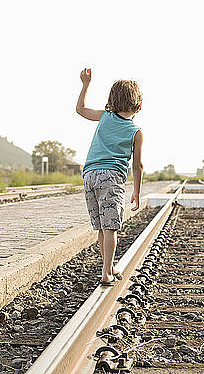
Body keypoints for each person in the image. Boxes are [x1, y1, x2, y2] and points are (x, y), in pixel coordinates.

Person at [76, 68, 144, 286]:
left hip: (89, 175)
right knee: (111, 226)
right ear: (137, 103)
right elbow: (138, 166)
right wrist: (136, 191)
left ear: (112, 99)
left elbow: (81, 109)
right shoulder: (136, 131)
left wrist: (85, 84)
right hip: (111, 177)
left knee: (101, 227)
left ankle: (109, 265)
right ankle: (106, 273)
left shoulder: (104, 116)